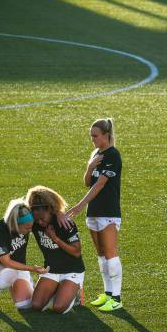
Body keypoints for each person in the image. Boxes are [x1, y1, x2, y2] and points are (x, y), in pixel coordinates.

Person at [67, 118, 123, 312]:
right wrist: (90, 167)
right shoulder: (96, 154)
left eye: (95, 136)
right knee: (101, 255)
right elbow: (88, 182)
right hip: (94, 212)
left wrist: (80, 205)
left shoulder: (113, 155)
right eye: (91, 136)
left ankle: (116, 297)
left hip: (108, 211)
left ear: (106, 135)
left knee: (110, 253)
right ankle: (107, 293)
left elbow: (100, 184)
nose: (92, 139)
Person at [26, 186, 85, 313]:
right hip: (51, 269)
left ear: (50, 210)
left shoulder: (65, 223)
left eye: (42, 218)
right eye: (37, 219)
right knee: (36, 305)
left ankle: (75, 294)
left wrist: (55, 238)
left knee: (58, 308)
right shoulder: (34, 221)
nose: (40, 222)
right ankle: (59, 290)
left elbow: (76, 252)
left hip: (72, 270)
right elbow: (18, 212)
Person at [0, 198, 48, 311]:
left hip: (18, 267)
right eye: (27, 228)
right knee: (5, 279)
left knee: (25, 305)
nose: (31, 230)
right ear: (15, 224)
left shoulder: (27, 220)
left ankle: (29, 285)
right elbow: (5, 261)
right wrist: (32, 268)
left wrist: (61, 215)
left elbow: (46, 201)